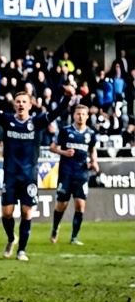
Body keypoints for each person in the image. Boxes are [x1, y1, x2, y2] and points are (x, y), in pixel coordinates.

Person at [0, 77, 75, 261]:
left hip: (29, 176)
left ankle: (22, 250)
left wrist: (66, 98)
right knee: (6, 213)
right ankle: (11, 238)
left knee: (26, 212)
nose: (21, 104)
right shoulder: (6, 120)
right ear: (14, 105)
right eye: (18, 102)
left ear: (30, 105)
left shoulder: (37, 122)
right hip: (10, 175)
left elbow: (57, 112)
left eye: (24, 102)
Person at [50, 104, 99, 246]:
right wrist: (64, 152)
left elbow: (92, 149)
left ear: (87, 116)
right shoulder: (65, 131)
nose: (80, 116)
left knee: (80, 205)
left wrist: (94, 161)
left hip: (81, 173)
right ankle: (55, 228)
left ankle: (74, 237)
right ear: (74, 115)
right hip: (66, 173)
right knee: (61, 205)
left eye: (83, 114)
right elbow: (52, 148)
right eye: (78, 114)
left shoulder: (90, 134)